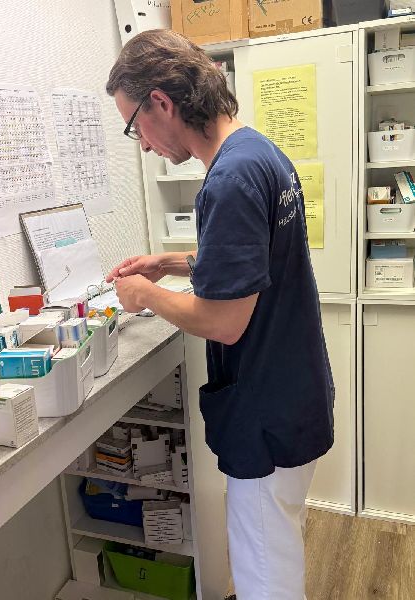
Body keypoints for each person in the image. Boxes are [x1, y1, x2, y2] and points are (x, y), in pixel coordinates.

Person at [105, 29, 334, 600]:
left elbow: (223, 321)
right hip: (293, 388)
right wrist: (168, 262)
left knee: (264, 567)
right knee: (277, 540)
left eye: (134, 126)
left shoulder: (228, 179)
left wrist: (144, 295)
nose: (143, 145)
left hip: (265, 405)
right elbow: (251, 260)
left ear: (161, 102)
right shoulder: (258, 152)